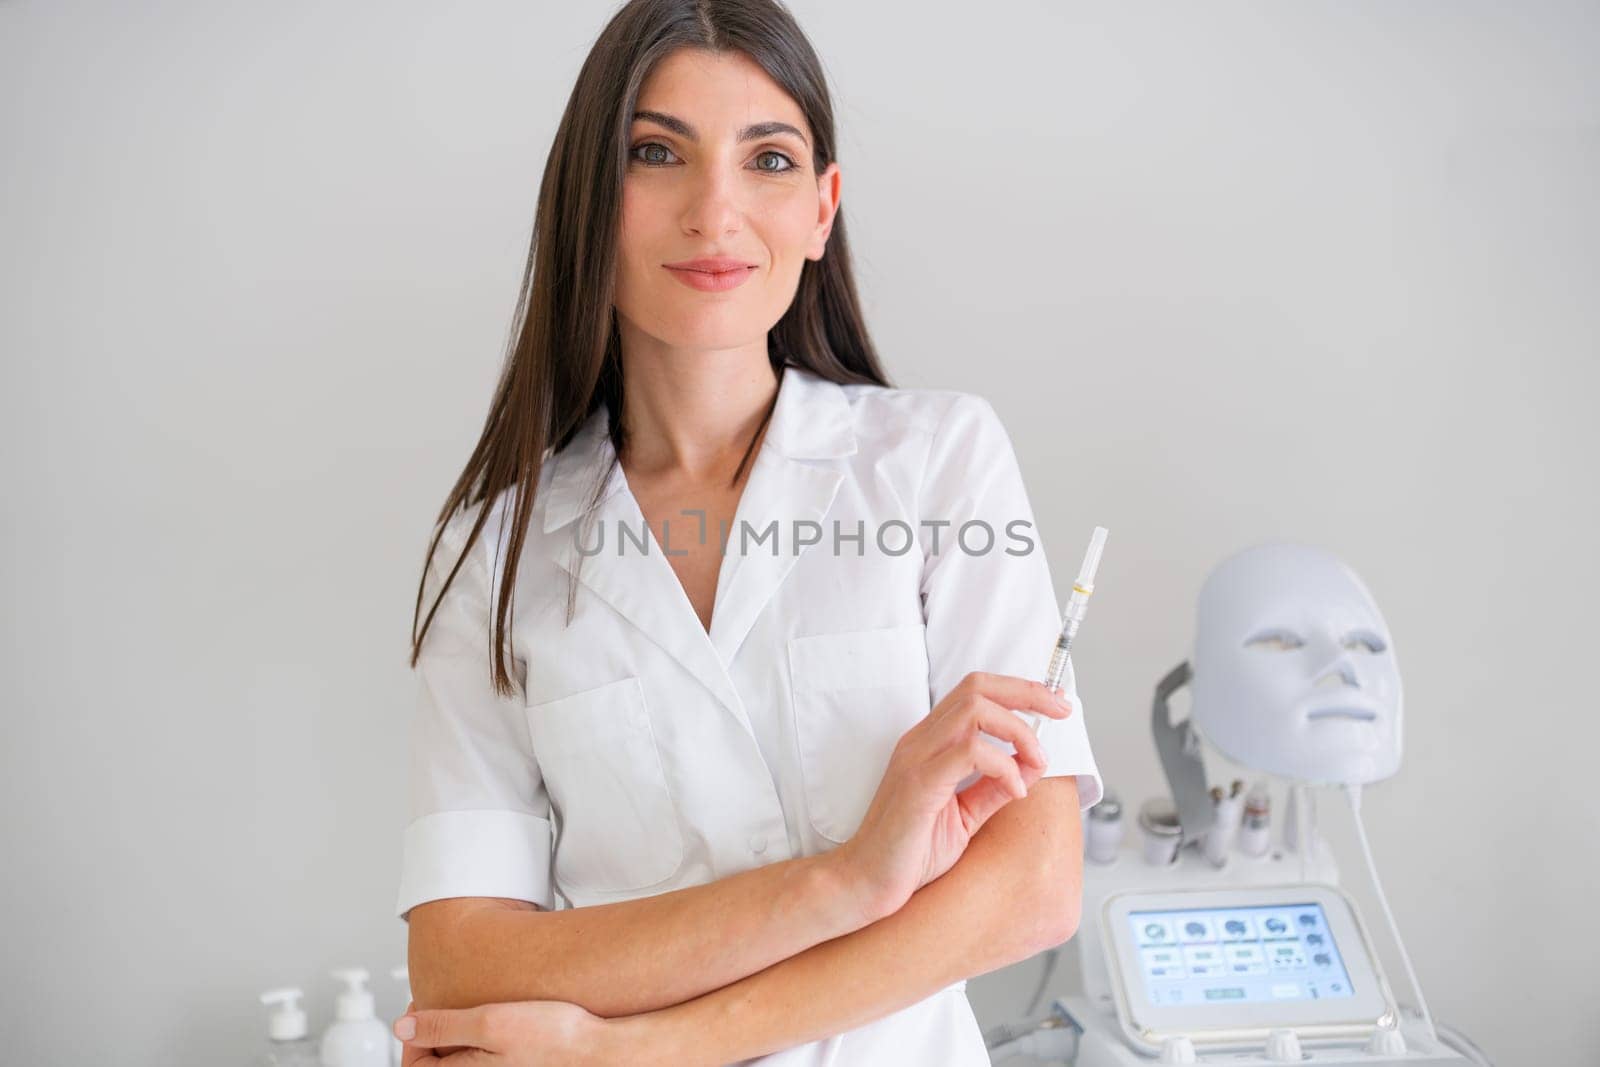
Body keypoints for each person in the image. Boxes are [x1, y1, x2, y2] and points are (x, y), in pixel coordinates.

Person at [392, 0, 1103, 1062]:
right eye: (655, 153)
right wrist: (846, 879)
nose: (714, 212)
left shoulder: (935, 461)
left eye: (766, 159)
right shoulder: (494, 550)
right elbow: (459, 958)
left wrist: (641, 1049)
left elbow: (1033, 882)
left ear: (822, 209)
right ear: (590, 201)